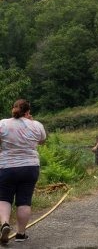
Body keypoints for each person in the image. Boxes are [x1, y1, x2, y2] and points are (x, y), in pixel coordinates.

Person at [0, 99, 46, 244]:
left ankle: (5, 224)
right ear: (28, 111)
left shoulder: (3, 123)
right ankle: (20, 234)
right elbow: (42, 141)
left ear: (13, 109)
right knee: (24, 200)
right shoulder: (36, 125)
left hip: (7, 166)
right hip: (30, 167)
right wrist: (30, 123)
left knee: (4, 198)